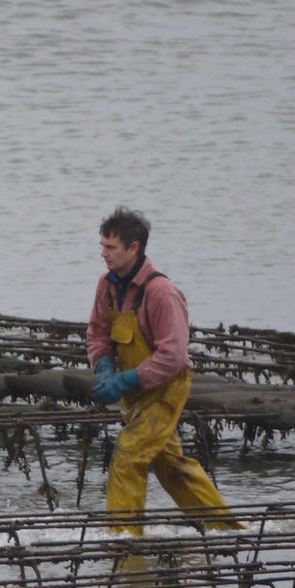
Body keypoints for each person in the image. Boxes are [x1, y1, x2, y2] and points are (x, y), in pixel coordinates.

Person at [85, 208, 241, 533]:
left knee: (128, 454)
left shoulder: (161, 292)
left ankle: (123, 542)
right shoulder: (107, 286)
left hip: (167, 385)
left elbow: (172, 355)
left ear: (134, 248)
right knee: (170, 465)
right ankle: (228, 531)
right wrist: (103, 368)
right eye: (102, 246)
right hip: (136, 391)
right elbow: (98, 333)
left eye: (110, 248)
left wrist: (126, 379)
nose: (103, 254)